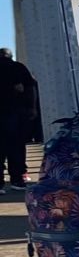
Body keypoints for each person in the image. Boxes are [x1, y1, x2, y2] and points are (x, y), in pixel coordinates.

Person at [0, 45, 38, 186]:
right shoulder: (17, 67)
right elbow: (28, 88)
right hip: (15, 112)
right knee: (16, 145)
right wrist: (32, 108)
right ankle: (17, 179)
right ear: (10, 56)